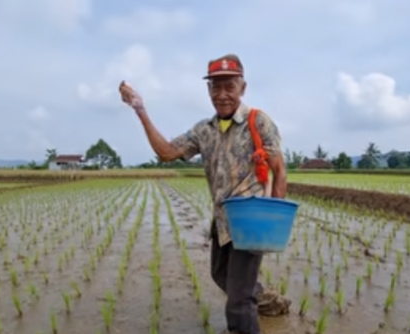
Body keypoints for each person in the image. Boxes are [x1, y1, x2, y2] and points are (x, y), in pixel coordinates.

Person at [119, 54, 291, 334]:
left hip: (251, 219)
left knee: (238, 300)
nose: (222, 95)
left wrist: (273, 220)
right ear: (208, 90)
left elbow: (279, 171)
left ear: (242, 88)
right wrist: (140, 110)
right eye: (216, 87)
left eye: (229, 87)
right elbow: (166, 153)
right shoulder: (204, 130)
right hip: (222, 219)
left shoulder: (258, 123)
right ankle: (267, 299)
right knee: (220, 274)